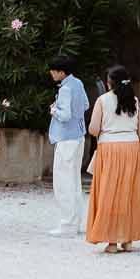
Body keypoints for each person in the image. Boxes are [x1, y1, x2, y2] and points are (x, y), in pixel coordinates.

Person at [83, 64, 140, 252]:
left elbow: (93, 129)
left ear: (109, 82)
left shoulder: (102, 100)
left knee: (109, 192)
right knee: (129, 193)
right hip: (132, 147)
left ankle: (111, 240)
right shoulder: (136, 101)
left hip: (109, 147)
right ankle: (127, 239)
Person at [45, 55, 89, 238]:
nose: (51, 73)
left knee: (63, 182)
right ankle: (76, 222)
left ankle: (67, 224)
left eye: (53, 71)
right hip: (78, 136)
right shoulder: (78, 83)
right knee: (74, 181)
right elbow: (86, 105)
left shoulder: (65, 89)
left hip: (65, 138)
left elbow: (64, 115)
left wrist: (54, 109)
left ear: (61, 72)